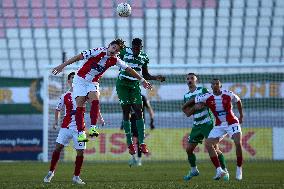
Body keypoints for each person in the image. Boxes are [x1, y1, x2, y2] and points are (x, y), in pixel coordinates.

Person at [52, 39, 152, 142]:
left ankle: (93, 128)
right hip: (80, 80)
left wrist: (142, 80)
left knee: (95, 101)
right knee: (80, 106)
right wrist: (62, 66)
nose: (114, 51)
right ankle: (81, 133)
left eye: (117, 50)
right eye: (113, 47)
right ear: (109, 46)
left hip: (93, 82)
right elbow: (78, 57)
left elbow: (129, 69)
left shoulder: (115, 59)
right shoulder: (98, 51)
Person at [183, 78, 244, 180]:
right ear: (211, 87)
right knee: (207, 144)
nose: (215, 85)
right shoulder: (207, 96)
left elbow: (238, 101)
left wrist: (241, 115)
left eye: (217, 84)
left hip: (231, 122)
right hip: (218, 125)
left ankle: (238, 169)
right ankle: (219, 170)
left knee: (238, 142)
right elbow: (194, 101)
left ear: (220, 86)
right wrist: (184, 106)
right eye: (213, 84)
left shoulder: (228, 94)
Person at [116, 38, 165, 155]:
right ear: (132, 47)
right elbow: (114, 57)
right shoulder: (124, 52)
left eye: (138, 49)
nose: (136, 51)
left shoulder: (144, 57)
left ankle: (142, 143)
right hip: (122, 85)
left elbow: (145, 74)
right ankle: (130, 144)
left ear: (141, 48)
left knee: (139, 111)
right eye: (134, 48)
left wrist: (155, 78)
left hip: (134, 85)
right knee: (126, 112)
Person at [43, 72, 87, 184]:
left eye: (76, 78)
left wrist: (99, 118)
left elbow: (95, 103)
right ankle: (51, 172)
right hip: (66, 127)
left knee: (81, 152)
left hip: (80, 128)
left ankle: (76, 176)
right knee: (57, 148)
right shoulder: (64, 95)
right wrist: (55, 121)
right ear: (68, 81)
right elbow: (58, 109)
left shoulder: (85, 93)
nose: (74, 80)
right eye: (72, 78)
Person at [120, 94, 155, 167]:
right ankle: (134, 158)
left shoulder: (142, 97)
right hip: (131, 122)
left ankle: (138, 160)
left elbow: (149, 108)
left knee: (139, 141)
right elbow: (126, 112)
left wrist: (152, 121)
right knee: (132, 140)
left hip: (140, 122)